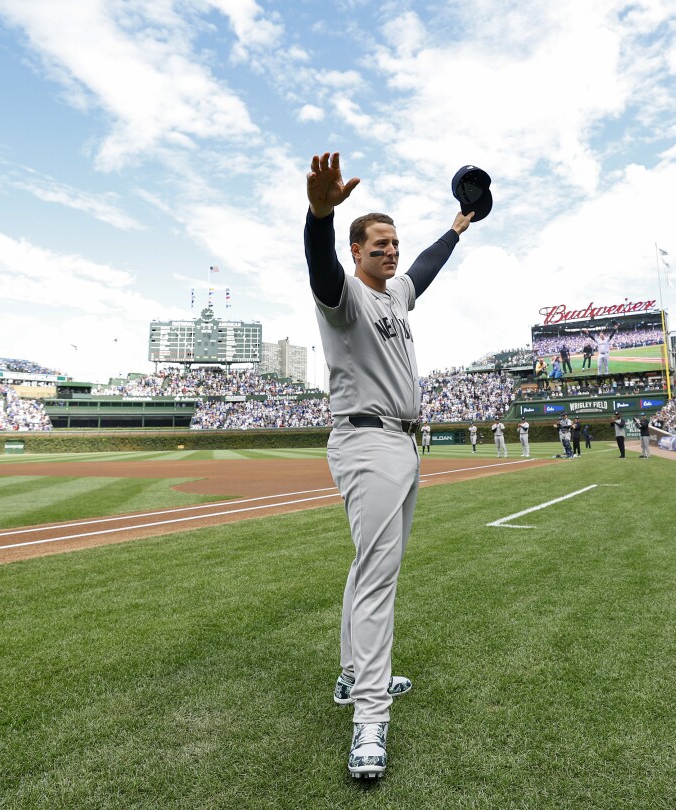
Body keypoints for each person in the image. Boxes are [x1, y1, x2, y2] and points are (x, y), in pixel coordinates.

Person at [304, 150, 477, 778]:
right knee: (378, 579)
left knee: (371, 567)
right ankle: (369, 719)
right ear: (357, 250)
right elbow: (321, 270)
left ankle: (353, 676)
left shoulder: (396, 294)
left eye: (394, 243)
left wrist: (455, 229)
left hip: (403, 442)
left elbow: (425, 269)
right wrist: (319, 215)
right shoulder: (344, 296)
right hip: (367, 441)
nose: (392, 251)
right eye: (379, 243)